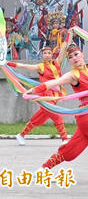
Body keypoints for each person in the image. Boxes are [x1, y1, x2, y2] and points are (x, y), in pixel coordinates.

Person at [25, 37, 88, 171]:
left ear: (82, 54)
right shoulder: (72, 75)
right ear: (69, 61)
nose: (74, 58)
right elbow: (52, 83)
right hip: (86, 115)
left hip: (84, 117)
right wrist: (34, 90)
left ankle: (44, 169)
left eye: (76, 54)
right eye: (70, 57)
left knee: (71, 150)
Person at [11, 40, 71, 145]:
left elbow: (63, 50)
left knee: (38, 119)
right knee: (57, 116)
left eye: (49, 53)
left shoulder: (56, 64)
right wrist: (11, 64)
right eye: (45, 53)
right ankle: (64, 139)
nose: (47, 55)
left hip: (54, 96)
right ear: (42, 55)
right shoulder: (41, 67)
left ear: (52, 54)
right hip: (45, 96)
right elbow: (25, 66)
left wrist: (67, 38)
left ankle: (21, 135)